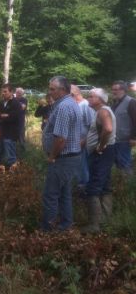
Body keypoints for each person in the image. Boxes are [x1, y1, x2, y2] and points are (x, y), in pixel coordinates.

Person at [42, 76, 82, 231]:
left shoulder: (64, 107)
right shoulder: (68, 103)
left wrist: (52, 157)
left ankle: (47, 233)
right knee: (64, 194)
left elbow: (60, 138)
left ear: (63, 90)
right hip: (68, 157)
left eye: (52, 89)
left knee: (50, 195)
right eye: (50, 88)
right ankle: (65, 226)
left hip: (62, 158)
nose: (49, 92)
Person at [81, 88, 116, 233]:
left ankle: (94, 225)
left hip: (102, 153)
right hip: (105, 152)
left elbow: (107, 129)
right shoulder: (101, 111)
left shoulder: (103, 111)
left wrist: (101, 146)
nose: (88, 98)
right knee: (105, 184)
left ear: (100, 99)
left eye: (91, 96)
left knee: (93, 186)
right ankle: (107, 219)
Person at [70, 85, 95, 187]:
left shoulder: (86, 105)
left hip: (83, 142)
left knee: (83, 165)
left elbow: (92, 126)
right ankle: (80, 183)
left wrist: (84, 140)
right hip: (74, 142)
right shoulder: (74, 104)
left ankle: (84, 186)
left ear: (73, 94)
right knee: (77, 164)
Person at [0, 83, 22, 168]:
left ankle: (13, 176)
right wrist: (4, 115)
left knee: (10, 157)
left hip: (10, 134)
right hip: (0, 133)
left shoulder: (16, 104)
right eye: (2, 92)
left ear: (11, 92)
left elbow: (13, 118)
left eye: (5, 91)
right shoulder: (1, 103)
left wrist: (0, 115)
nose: (3, 93)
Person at [111, 80, 136, 176]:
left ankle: (129, 188)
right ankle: (120, 187)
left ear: (123, 90)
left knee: (125, 165)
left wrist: (134, 138)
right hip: (115, 140)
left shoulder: (132, 102)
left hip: (125, 141)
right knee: (118, 165)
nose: (113, 92)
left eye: (116, 89)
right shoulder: (115, 103)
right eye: (113, 89)